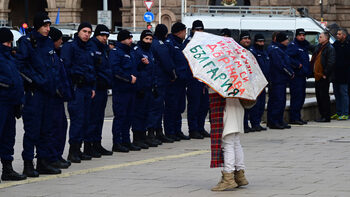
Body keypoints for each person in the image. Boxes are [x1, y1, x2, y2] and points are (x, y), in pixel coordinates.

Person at [17, 12, 61, 176]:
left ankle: (43, 161)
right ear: (37, 26)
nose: (47, 29)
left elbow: (53, 65)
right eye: (44, 26)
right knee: (32, 130)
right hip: (34, 93)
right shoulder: (27, 42)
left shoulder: (48, 43)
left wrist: (54, 83)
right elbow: (21, 67)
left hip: (48, 93)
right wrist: (36, 81)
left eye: (49, 26)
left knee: (47, 129)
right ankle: (28, 164)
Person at [61, 22, 95, 163]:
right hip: (76, 88)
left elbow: (92, 68)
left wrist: (92, 86)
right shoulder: (70, 47)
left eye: (89, 32)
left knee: (86, 120)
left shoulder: (88, 48)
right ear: (79, 31)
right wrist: (76, 77)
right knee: (77, 120)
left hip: (87, 87)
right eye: (84, 31)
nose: (87, 34)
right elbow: (66, 68)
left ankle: (78, 149)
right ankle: (72, 151)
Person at [0, 27, 27, 182]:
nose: (9, 45)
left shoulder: (10, 58)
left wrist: (18, 102)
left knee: (8, 138)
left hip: (11, 104)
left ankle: (7, 169)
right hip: (2, 102)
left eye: (10, 42)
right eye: (6, 42)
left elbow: (16, 80)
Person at [209, 95, 249, 191]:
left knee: (228, 143)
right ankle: (239, 175)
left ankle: (228, 177)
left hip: (225, 106)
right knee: (235, 142)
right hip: (237, 105)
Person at [109, 30, 140, 152]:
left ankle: (126, 141)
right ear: (122, 39)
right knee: (120, 116)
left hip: (131, 90)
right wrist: (128, 79)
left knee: (129, 116)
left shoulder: (130, 52)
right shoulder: (116, 53)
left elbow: (134, 68)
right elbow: (115, 70)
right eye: (128, 38)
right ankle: (117, 142)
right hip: (121, 89)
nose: (131, 41)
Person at [85, 24, 113, 157]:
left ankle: (97, 143)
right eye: (102, 35)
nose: (105, 38)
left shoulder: (104, 48)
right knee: (92, 118)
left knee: (99, 118)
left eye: (106, 36)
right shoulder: (92, 47)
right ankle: (89, 145)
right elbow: (93, 69)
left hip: (103, 88)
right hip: (95, 88)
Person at [132, 30, 162, 149]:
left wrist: (154, 85)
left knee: (147, 113)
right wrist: (139, 87)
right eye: (146, 39)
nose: (148, 41)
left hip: (149, 87)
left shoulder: (150, 52)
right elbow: (135, 70)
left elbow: (153, 71)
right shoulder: (137, 52)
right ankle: (137, 137)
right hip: (141, 88)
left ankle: (144, 136)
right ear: (142, 39)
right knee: (138, 114)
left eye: (150, 39)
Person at [47, 27, 72, 169]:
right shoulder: (50, 55)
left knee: (62, 126)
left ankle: (57, 155)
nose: (61, 41)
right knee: (55, 128)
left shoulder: (57, 54)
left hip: (59, 97)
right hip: (53, 97)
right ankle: (52, 156)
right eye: (59, 39)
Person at [164, 22, 191, 141]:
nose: (185, 34)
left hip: (182, 81)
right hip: (173, 81)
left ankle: (177, 130)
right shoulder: (170, 44)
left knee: (179, 107)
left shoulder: (180, 44)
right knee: (171, 107)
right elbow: (168, 62)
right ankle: (170, 131)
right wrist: (173, 76)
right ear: (179, 32)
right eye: (184, 31)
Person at [149, 24, 176, 144]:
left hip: (155, 79)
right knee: (157, 108)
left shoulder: (152, 43)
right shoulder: (160, 45)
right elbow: (167, 63)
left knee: (155, 107)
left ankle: (155, 132)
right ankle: (156, 133)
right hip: (160, 79)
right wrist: (172, 75)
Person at [184, 20, 210, 139]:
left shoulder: (204, 42)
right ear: (193, 30)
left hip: (203, 78)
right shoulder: (188, 43)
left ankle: (200, 127)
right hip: (193, 79)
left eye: (201, 30)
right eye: (197, 30)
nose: (199, 32)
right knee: (194, 105)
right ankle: (193, 129)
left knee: (203, 105)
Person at [267, 33, 294, 129]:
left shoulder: (281, 49)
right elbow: (280, 65)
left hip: (281, 79)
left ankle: (279, 120)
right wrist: (290, 73)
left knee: (281, 101)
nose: (288, 41)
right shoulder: (275, 50)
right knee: (277, 101)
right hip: (276, 79)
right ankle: (274, 121)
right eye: (286, 39)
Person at [286, 28, 311, 125]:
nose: (302, 37)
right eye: (300, 35)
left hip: (302, 75)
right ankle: (294, 117)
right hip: (296, 76)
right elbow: (288, 57)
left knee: (301, 97)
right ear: (296, 36)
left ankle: (298, 117)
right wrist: (297, 65)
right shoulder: (293, 45)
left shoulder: (304, 45)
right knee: (296, 97)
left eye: (303, 35)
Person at [246, 34, 270, 131]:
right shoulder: (252, 52)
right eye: (259, 42)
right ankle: (254, 123)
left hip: (263, 82)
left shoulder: (264, 52)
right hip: (255, 82)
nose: (261, 43)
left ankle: (258, 122)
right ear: (255, 42)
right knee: (255, 105)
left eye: (263, 42)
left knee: (261, 104)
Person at [311, 32, 335, 122]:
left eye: (320, 37)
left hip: (323, 76)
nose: (319, 38)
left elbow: (331, 62)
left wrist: (325, 73)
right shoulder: (319, 47)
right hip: (317, 75)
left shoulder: (329, 48)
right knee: (319, 96)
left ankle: (326, 116)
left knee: (324, 97)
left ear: (326, 38)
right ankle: (322, 115)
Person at [331, 29, 350, 120]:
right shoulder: (336, 44)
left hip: (344, 74)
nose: (337, 35)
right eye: (337, 34)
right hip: (336, 74)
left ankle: (345, 113)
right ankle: (338, 112)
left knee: (344, 94)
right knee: (337, 94)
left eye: (339, 34)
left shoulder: (348, 45)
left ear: (344, 35)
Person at [238, 32, 253, 133]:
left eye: (248, 39)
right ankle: (241, 125)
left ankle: (245, 124)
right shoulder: (237, 51)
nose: (247, 40)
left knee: (247, 105)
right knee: (240, 105)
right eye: (244, 39)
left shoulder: (250, 52)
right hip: (240, 82)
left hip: (249, 81)